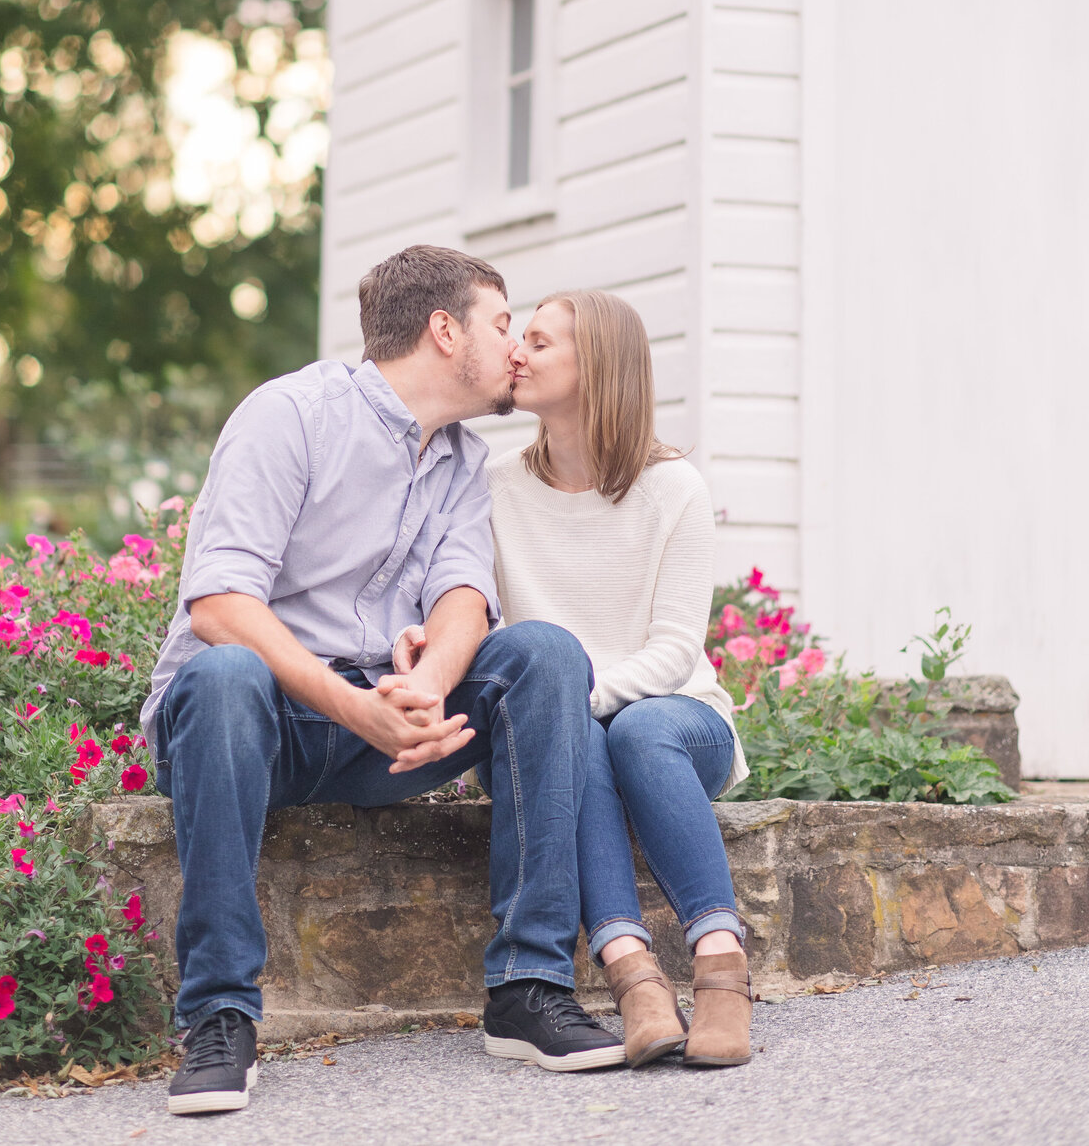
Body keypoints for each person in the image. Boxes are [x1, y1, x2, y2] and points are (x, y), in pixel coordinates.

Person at [141, 246, 626, 1118]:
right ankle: (219, 1017)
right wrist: (352, 706)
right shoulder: (289, 415)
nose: (516, 348)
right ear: (446, 331)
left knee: (547, 654)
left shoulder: (461, 460)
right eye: (503, 323)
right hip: (258, 724)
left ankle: (528, 988)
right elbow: (219, 603)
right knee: (221, 675)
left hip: (384, 727)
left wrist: (428, 690)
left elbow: (464, 594)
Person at [488, 289, 753, 1070]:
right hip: (575, 732)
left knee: (629, 727)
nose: (516, 354)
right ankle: (634, 976)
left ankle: (720, 965)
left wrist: (577, 702)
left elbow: (675, 649)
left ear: (595, 365)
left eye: (538, 342)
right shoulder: (498, 485)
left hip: (679, 721)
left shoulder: (673, 488)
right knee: (585, 742)